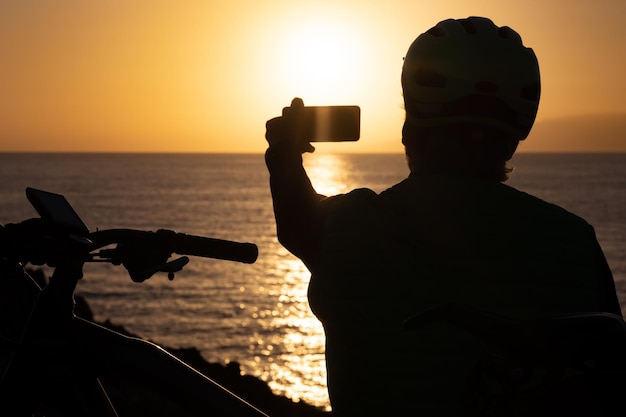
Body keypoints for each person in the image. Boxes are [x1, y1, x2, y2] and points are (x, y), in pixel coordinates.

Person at [264, 16, 622, 416]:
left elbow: (294, 216)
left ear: (409, 127)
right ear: (515, 134)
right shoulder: (574, 242)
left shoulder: (347, 227)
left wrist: (283, 152)